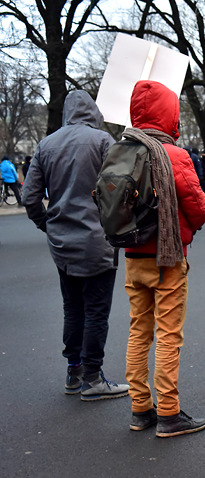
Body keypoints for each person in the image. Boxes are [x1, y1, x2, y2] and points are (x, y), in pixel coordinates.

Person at [22, 90, 129, 399]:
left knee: (73, 307)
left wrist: (47, 223)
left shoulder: (46, 145)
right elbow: (119, 190)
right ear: (92, 111)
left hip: (61, 242)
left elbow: (30, 198)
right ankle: (93, 378)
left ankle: (74, 370)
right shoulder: (103, 141)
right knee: (96, 310)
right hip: (97, 238)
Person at [122, 80, 205, 437]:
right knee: (169, 334)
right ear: (169, 115)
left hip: (132, 254)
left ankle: (140, 408)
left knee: (138, 330)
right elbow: (200, 209)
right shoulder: (174, 155)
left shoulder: (123, 149)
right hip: (168, 258)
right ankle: (169, 413)